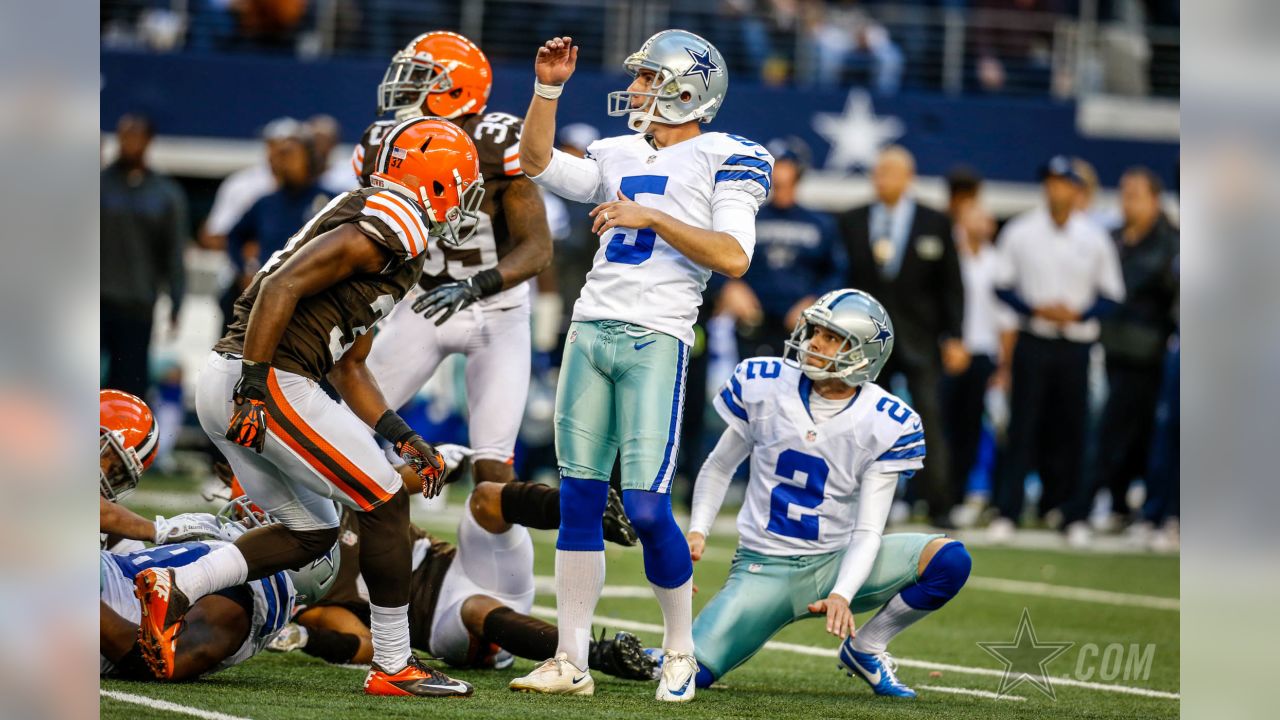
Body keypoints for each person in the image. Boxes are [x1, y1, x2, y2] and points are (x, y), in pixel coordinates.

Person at [132, 117, 482, 698]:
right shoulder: (394, 220)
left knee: (311, 530)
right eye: (461, 187)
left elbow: (350, 366)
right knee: (385, 501)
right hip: (267, 377)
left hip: (246, 376)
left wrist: (403, 436)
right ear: (436, 183)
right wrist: (254, 386)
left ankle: (174, 583)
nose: (463, 205)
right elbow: (279, 288)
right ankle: (395, 664)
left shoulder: (393, 239)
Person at [509, 31, 772, 701]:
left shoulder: (729, 155)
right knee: (578, 500)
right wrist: (547, 88)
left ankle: (680, 650)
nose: (640, 89)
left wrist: (652, 218)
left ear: (690, 89)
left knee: (651, 508)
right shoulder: (617, 150)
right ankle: (570, 659)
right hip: (590, 329)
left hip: (656, 338)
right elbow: (537, 162)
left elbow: (734, 257)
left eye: (652, 79)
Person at [685, 290, 971, 696]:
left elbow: (870, 530)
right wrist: (699, 530)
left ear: (863, 353)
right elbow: (718, 465)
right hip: (765, 568)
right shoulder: (766, 384)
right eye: (815, 330)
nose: (815, 342)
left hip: (837, 561)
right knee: (686, 672)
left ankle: (867, 647)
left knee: (949, 560)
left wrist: (842, 593)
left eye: (832, 337)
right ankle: (599, 652)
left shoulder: (885, 420)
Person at [352, 31, 554, 487]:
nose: (405, 86)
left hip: (496, 310)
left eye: (420, 77)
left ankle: (490, 546)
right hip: (421, 305)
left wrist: (474, 286)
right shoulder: (386, 142)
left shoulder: (498, 143)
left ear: (455, 90)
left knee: (493, 471)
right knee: (342, 430)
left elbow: (538, 248)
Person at [266, 479, 652, 680]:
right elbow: (364, 646)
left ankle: (587, 512)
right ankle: (595, 655)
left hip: (468, 566)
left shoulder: (344, 500)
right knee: (475, 608)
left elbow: (398, 482)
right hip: (444, 622)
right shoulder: (316, 596)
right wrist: (306, 637)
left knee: (485, 497)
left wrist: (433, 459)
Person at [988, 156, 1125, 542]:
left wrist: (1079, 313)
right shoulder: (1021, 231)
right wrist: (1035, 308)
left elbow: (1113, 296)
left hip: (1076, 345)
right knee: (1023, 426)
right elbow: (1001, 285)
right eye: (1050, 182)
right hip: (1034, 338)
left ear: (1076, 190)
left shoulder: (1093, 236)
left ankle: (1072, 513)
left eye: (1063, 183)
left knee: (1075, 429)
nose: (1056, 190)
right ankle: (1008, 510)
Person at [837, 146, 966, 527]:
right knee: (865, 421)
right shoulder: (852, 220)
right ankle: (867, 503)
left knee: (927, 417)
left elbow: (952, 286)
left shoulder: (935, 221)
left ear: (908, 177)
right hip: (865, 342)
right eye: (879, 172)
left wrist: (955, 336)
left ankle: (938, 503)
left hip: (920, 338)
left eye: (892, 173)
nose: (884, 179)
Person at [1062, 167, 1178, 544]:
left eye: (1135, 194)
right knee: (1118, 430)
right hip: (1110, 344)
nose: (1127, 202)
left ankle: (1085, 507)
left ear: (1154, 199)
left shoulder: (1170, 242)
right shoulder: (1110, 238)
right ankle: (1117, 504)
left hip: (1149, 352)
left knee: (1122, 431)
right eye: (1124, 193)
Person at [718, 136, 846, 359]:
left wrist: (816, 302)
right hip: (752, 322)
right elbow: (716, 256)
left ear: (799, 174)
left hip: (801, 325)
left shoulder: (820, 224)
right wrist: (728, 288)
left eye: (786, 167)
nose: (781, 174)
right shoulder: (747, 217)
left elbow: (838, 271)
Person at [101, 113, 188, 399]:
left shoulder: (165, 193)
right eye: (124, 136)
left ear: (149, 141)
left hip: (136, 303)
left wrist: (176, 301)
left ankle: (120, 442)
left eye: (136, 136)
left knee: (127, 387)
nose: (129, 143)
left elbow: (174, 251)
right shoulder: (98, 183)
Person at [224, 129, 334, 320]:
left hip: (313, 298)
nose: (283, 161)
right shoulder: (265, 203)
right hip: (266, 295)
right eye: (280, 155)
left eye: (290, 154)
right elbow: (235, 237)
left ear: (309, 159)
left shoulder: (331, 201)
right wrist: (243, 270)